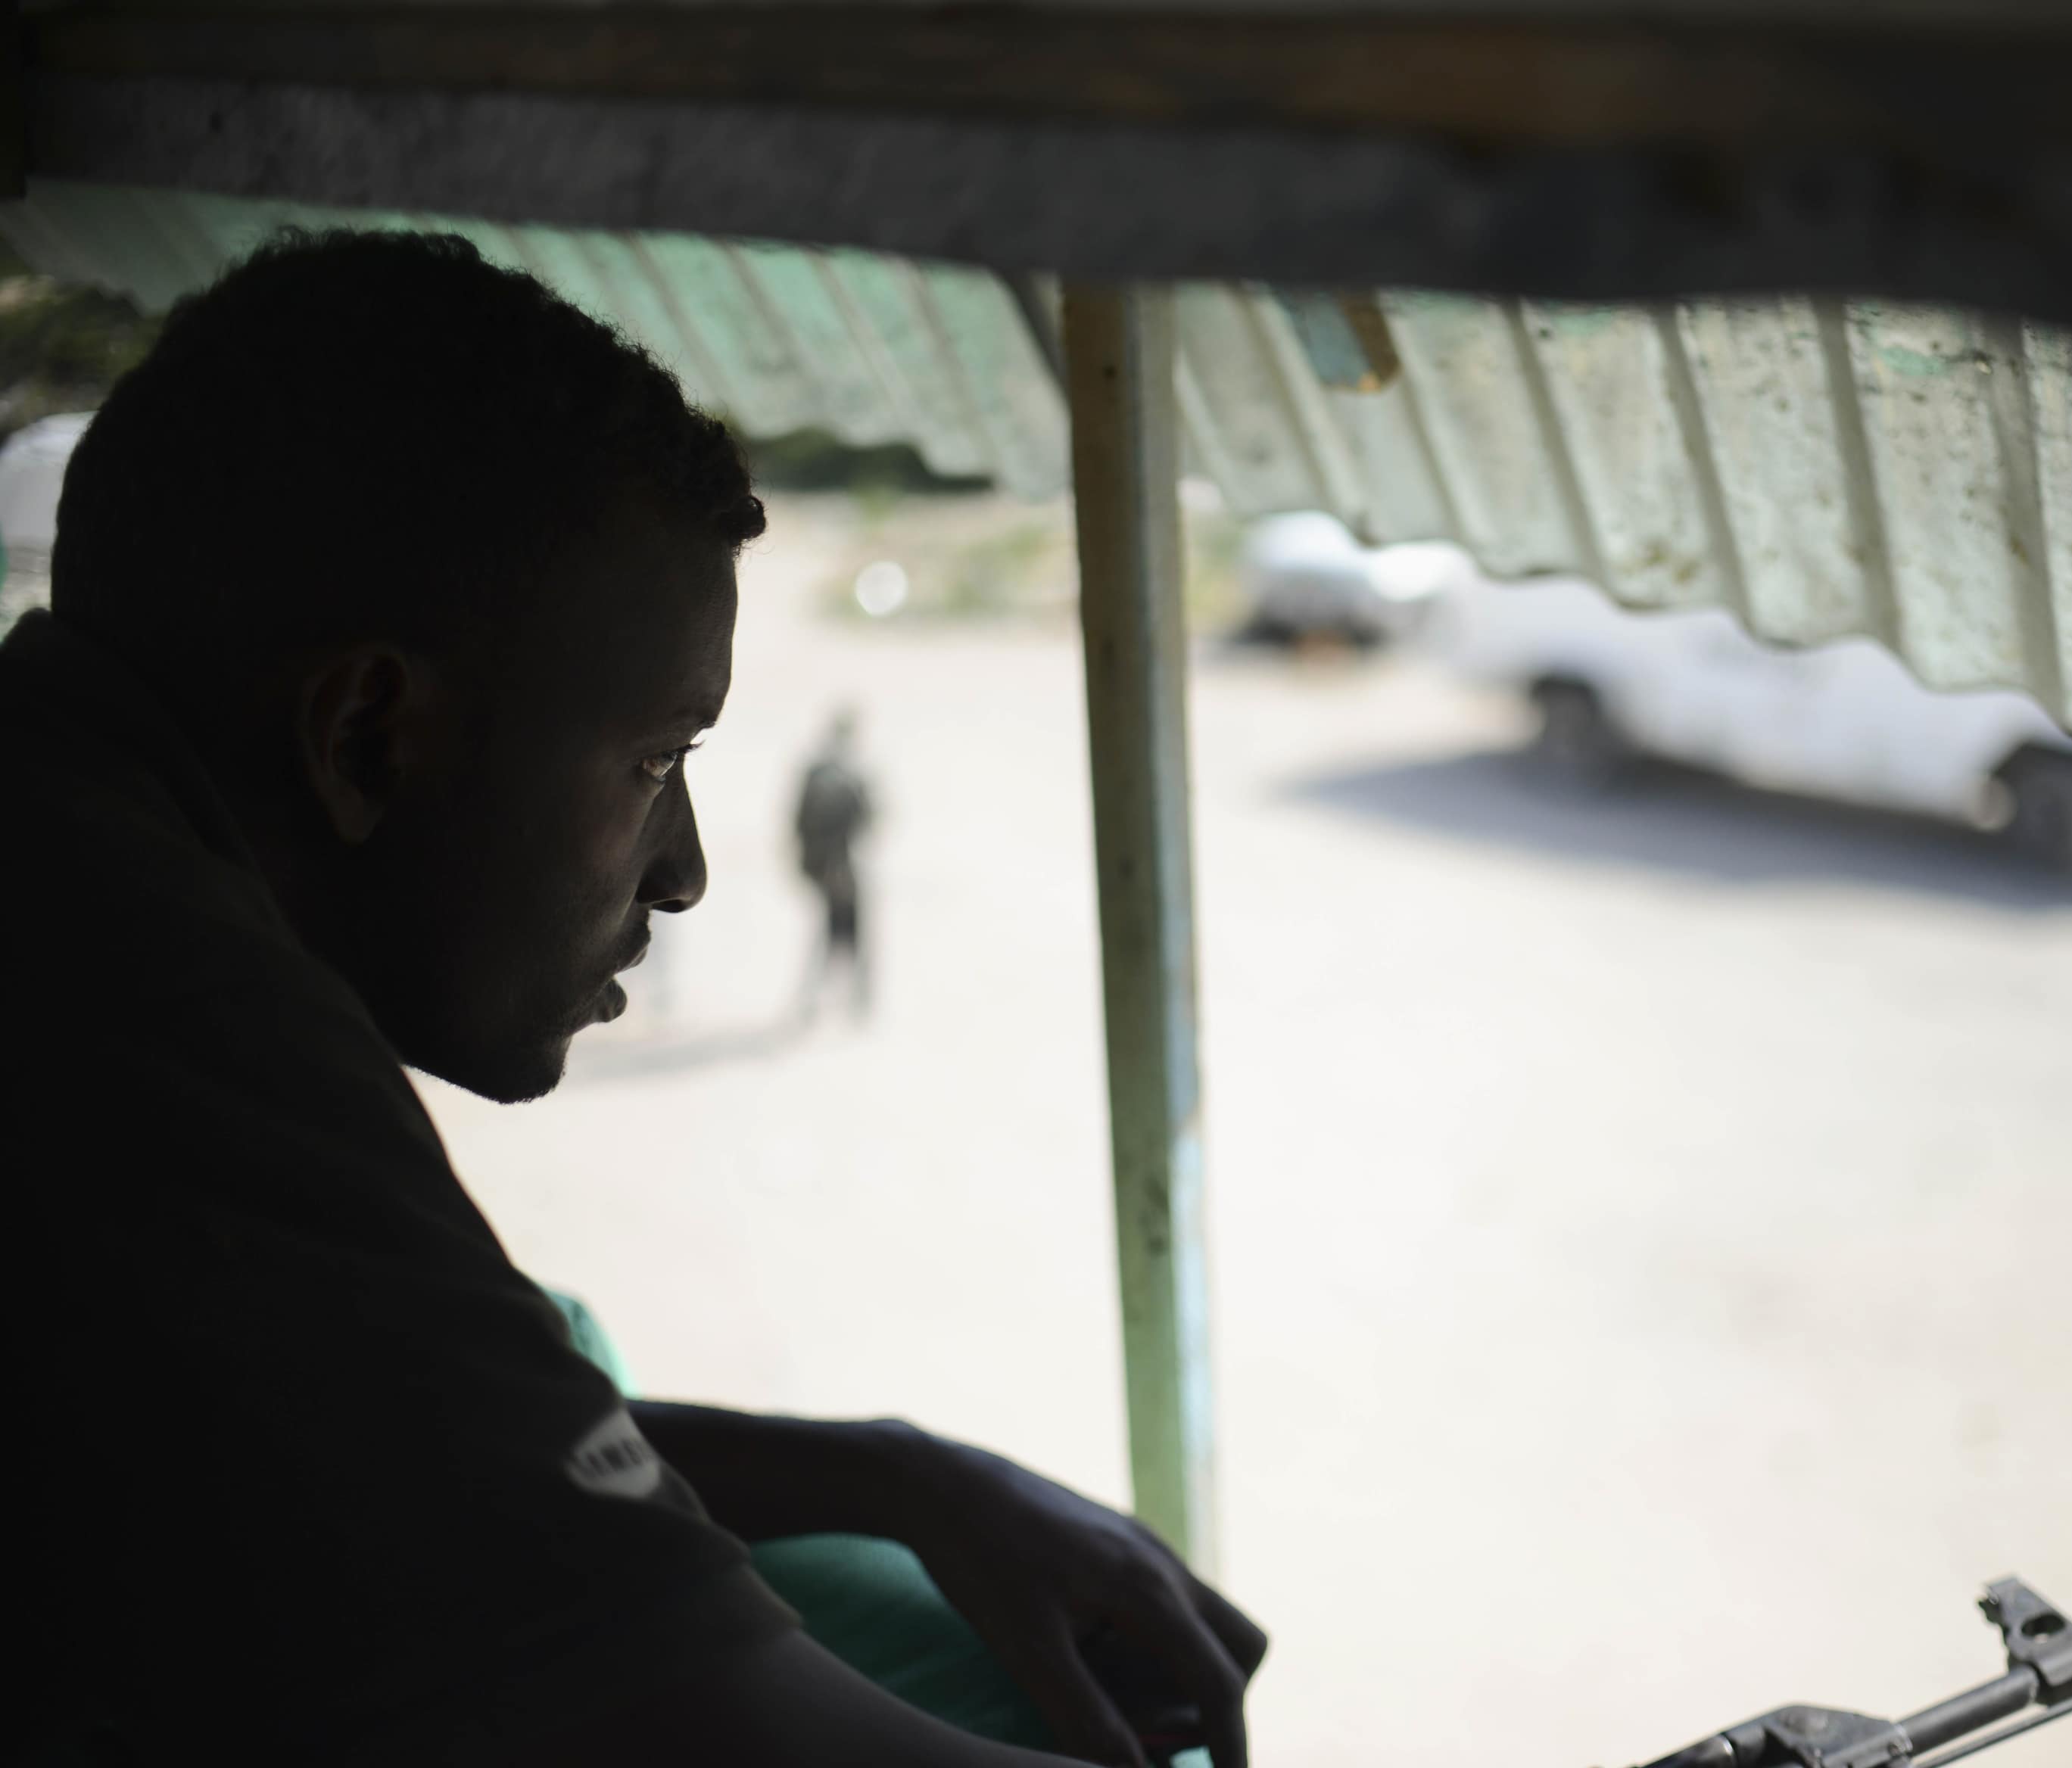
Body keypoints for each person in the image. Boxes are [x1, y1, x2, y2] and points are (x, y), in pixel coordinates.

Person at [2, 232, 1263, 1766]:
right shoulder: (156, 1022)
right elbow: (732, 1725)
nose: (683, 873)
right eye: (657, 759)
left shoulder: (77, 833)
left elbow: (408, 1422)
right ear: (366, 735)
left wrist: (885, 1473)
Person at [796, 708, 878, 1021]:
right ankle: (828, 1001)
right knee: (836, 934)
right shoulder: (837, 776)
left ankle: (847, 1000)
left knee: (842, 934)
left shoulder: (836, 774)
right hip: (836, 869)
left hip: (838, 867)